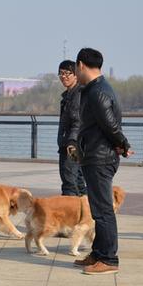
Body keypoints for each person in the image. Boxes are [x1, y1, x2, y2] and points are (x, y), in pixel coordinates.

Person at [70, 47, 134, 275]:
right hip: (96, 155)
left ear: (80, 65)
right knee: (98, 209)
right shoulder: (96, 88)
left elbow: (110, 125)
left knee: (103, 210)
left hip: (99, 158)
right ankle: (98, 253)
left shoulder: (98, 92)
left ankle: (109, 259)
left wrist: (124, 144)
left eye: (74, 69)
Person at [57, 60, 86, 196]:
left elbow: (77, 122)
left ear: (76, 75)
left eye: (68, 73)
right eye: (61, 73)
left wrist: (71, 142)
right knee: (78, 180)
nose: (64, 77)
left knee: (69, 181)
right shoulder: (68, 95)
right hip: (71, 144)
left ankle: (70, 214)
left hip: (72, 146)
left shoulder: (77, 94)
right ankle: (87, 213)